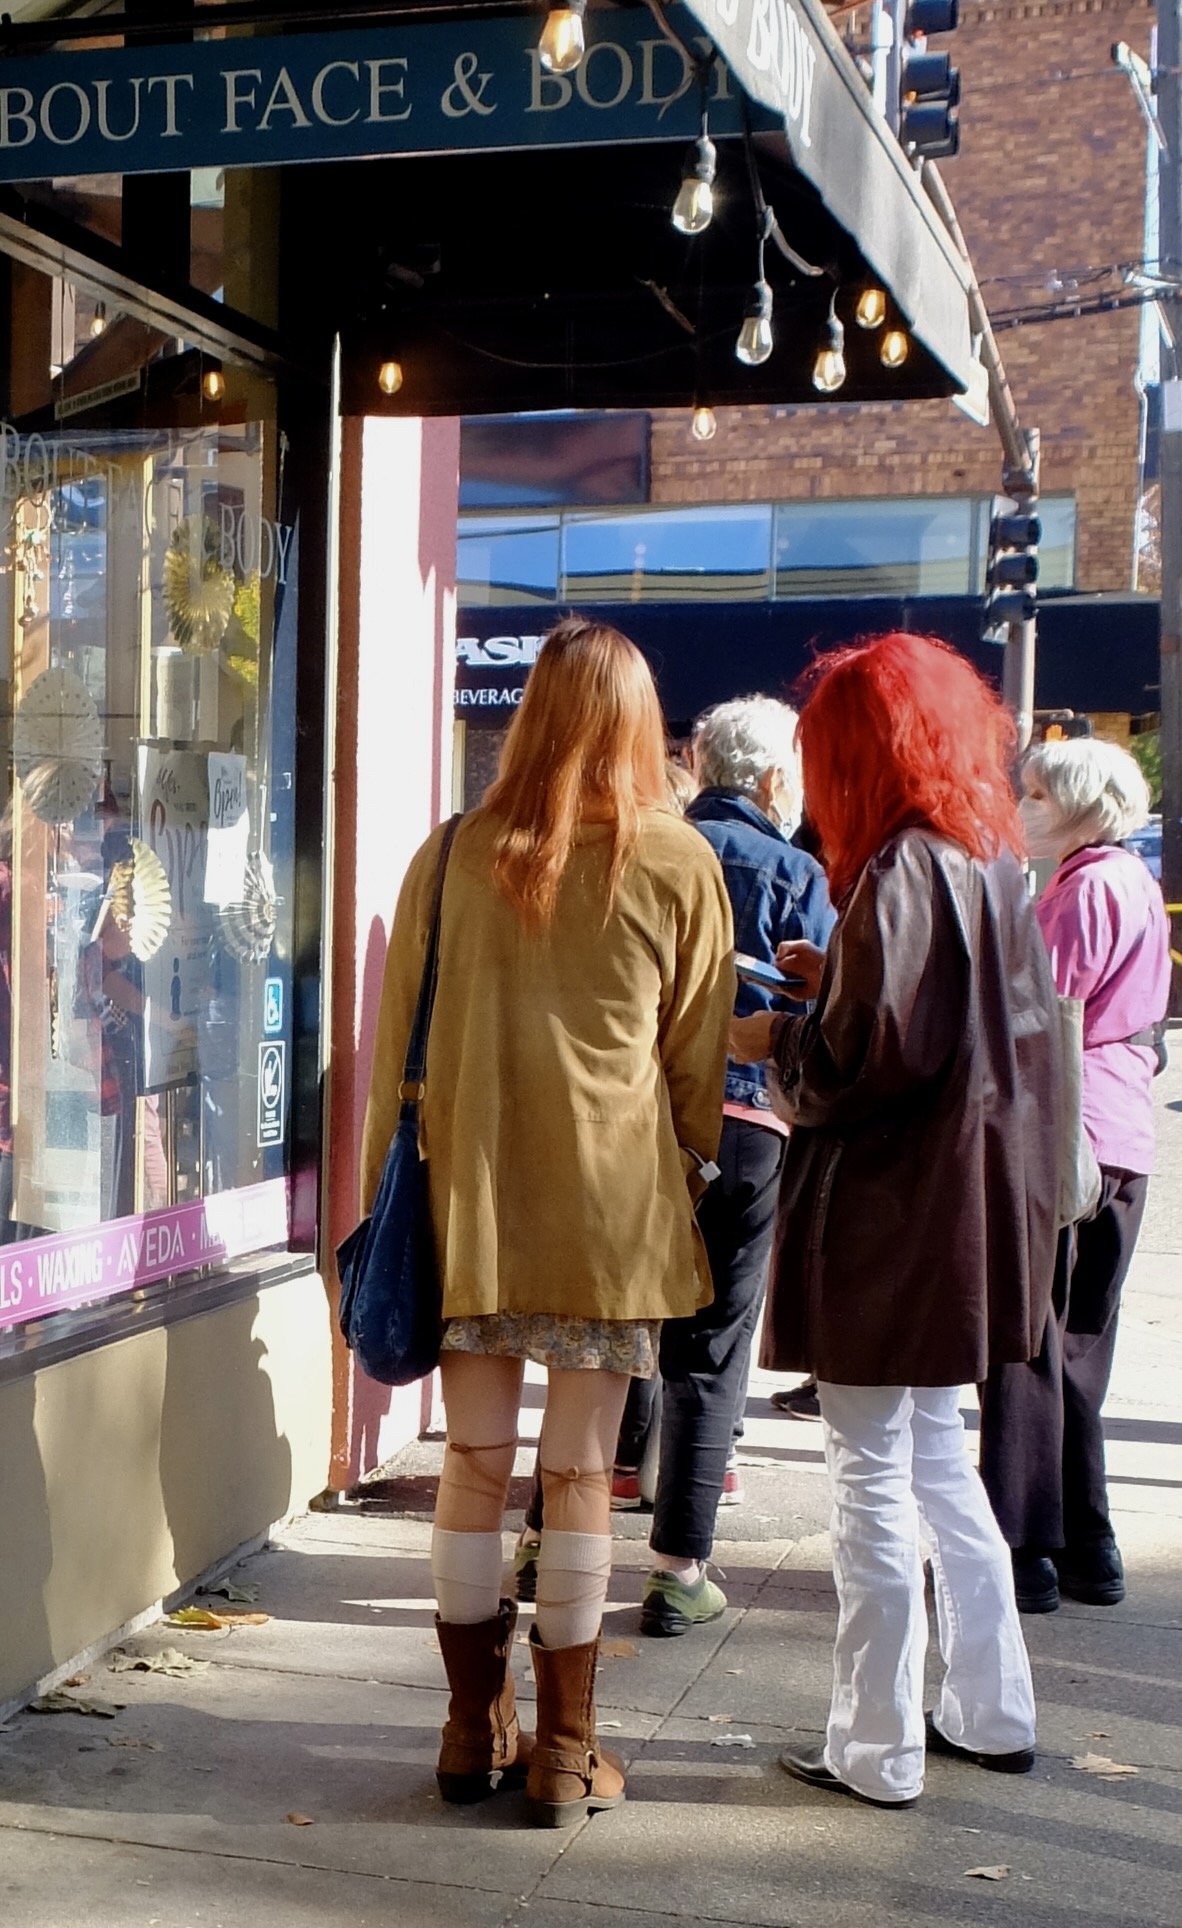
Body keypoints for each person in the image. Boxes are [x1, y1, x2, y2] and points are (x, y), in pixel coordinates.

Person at [361, 616, 733, 1828]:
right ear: (639, 724)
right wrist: (694, 1169)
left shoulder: (456, 850)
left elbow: (390, 1056)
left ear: (528, 716)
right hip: (611, 1219)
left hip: (471, 1202)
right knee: (578, 1472)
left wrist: (380, 1204)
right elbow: (697, 1068)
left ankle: (472, 1726)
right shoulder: (678, 862)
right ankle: (568, 1752)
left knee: (471, 1463)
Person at [731, 631, 1063, 1810]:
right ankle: (990, 1706)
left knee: (871, 1475)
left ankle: (876, 1744)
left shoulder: (904, 868)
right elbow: (950, 1034)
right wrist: (836, 981)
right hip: (961, 1224)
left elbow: (866, 1060)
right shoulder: (986, 860)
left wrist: (778, 1040)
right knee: (934, 1462)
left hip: (890, 1226)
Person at [639, 696, 834, 1635]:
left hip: (640, 1116)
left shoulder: (652, 849)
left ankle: (555, 1531)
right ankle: (679, 1570)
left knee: (622, 1321)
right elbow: (828, 1006)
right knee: (715, 1344)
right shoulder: (795, 869)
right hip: (750, 1119)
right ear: (770, 780)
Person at [980, 738, 1170, 1613]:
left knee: (1030, 1342)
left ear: (1081, 804)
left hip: (1068, 1133)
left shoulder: (1083, 887)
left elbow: (1033, 1012)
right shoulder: (1131, 881)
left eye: (1038, 794)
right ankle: (1090, 1541)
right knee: (1083, 1345)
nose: (1025, 807)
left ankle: (1026, 1547)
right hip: (1123, 1130)